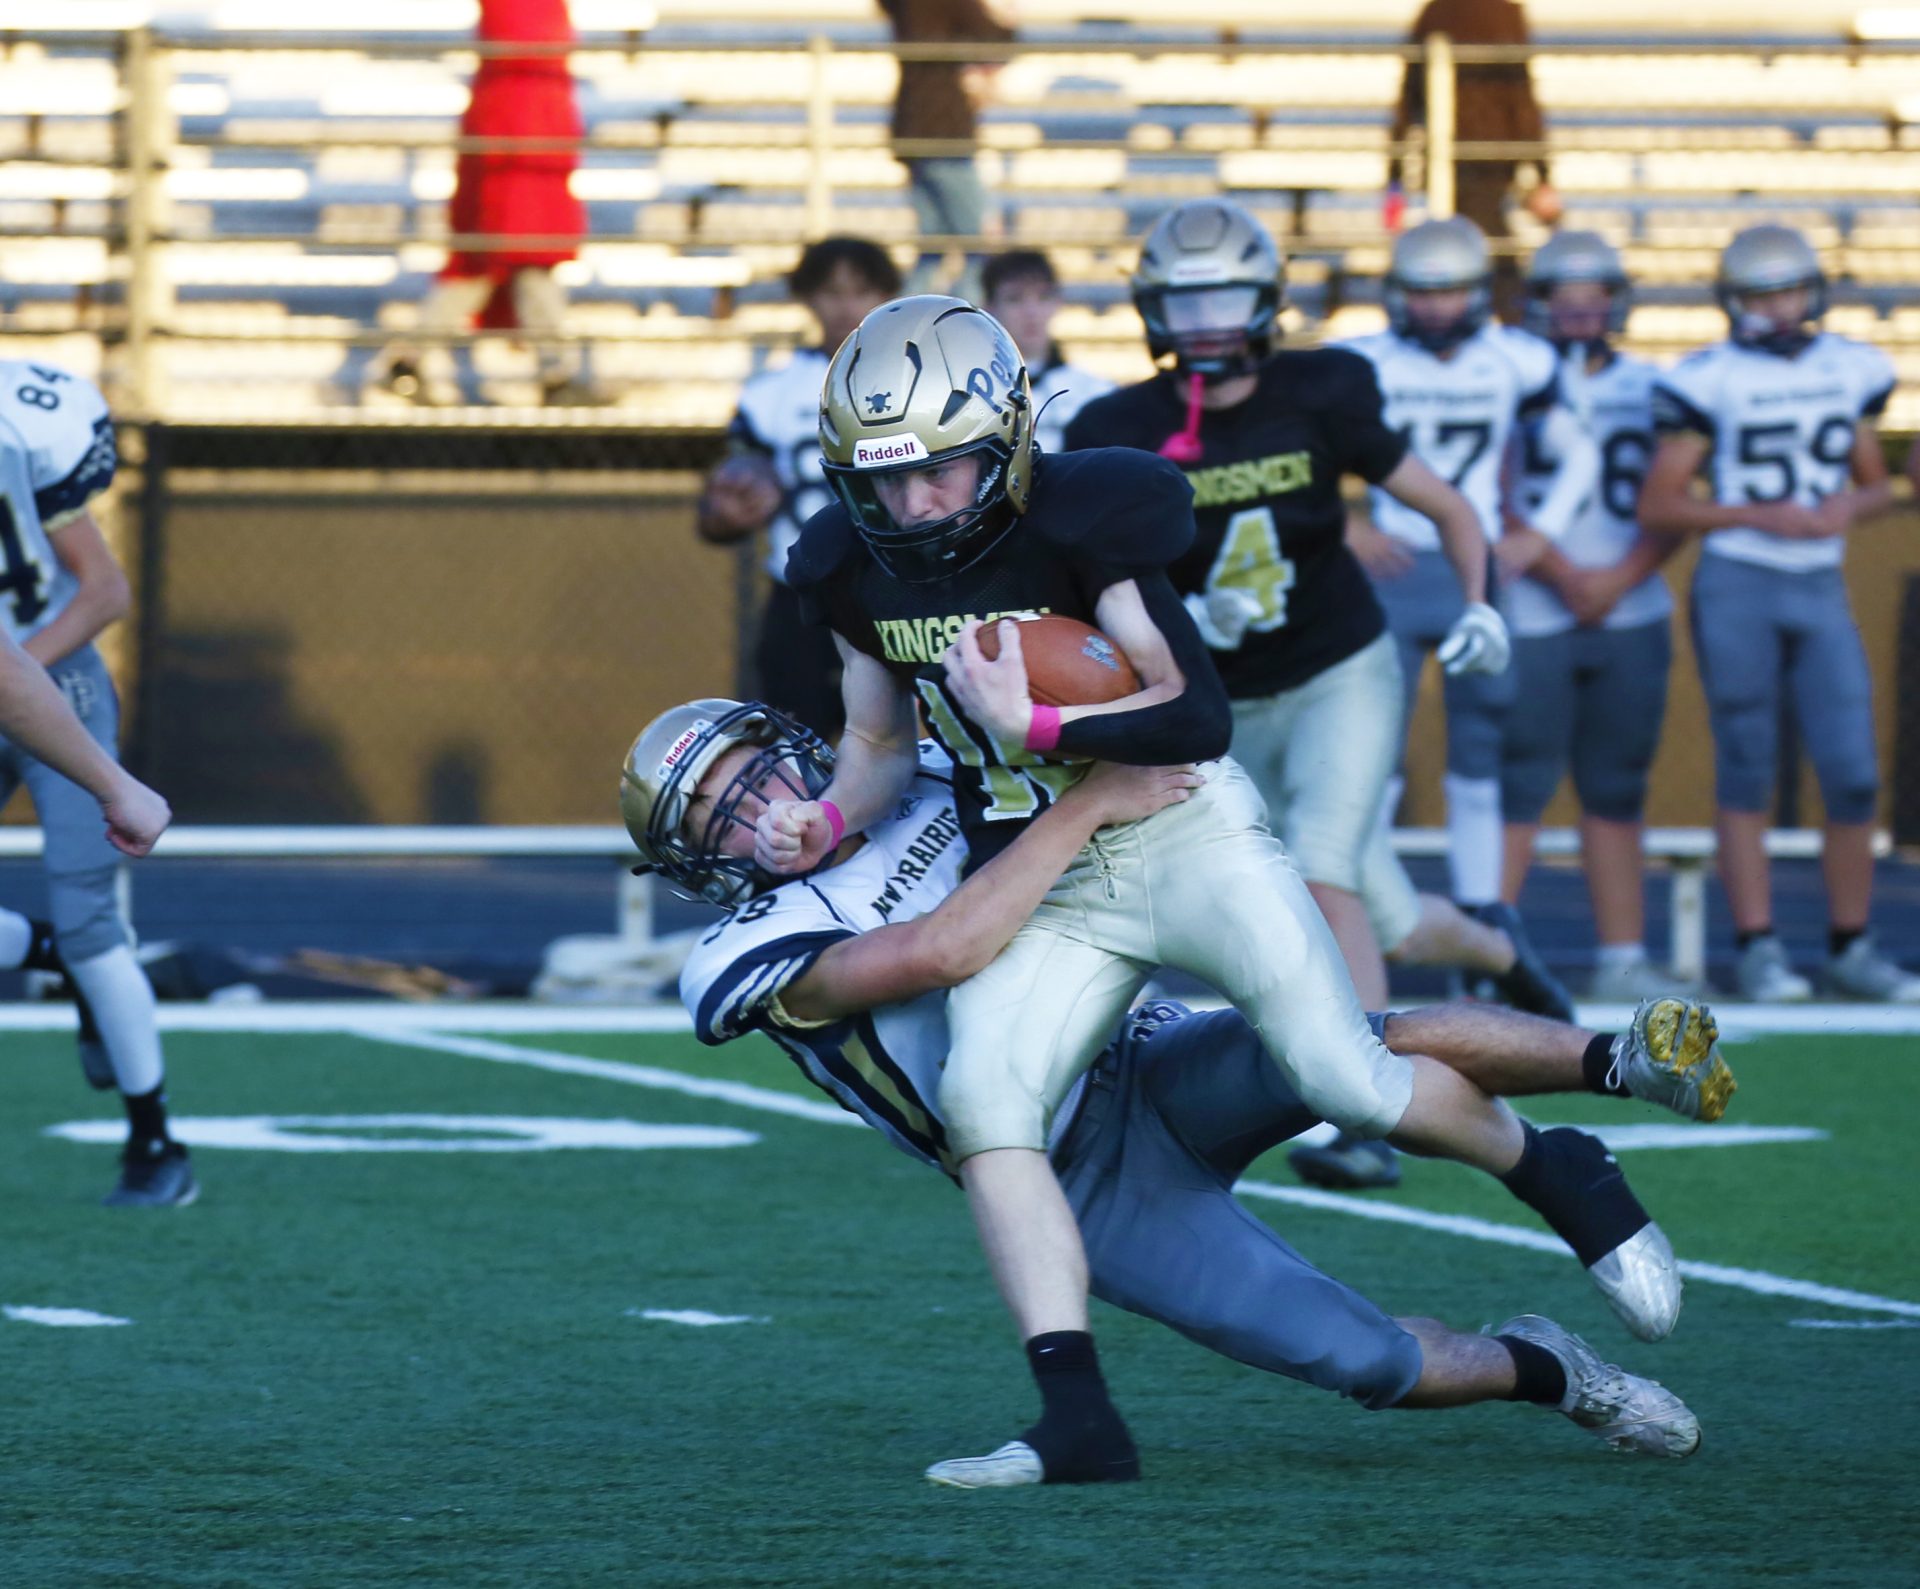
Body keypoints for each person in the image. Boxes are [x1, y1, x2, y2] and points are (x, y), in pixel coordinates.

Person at [763, 296, 1667, 1483]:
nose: (915, 503)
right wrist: (828, 817)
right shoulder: (846, 563)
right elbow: (880, 745)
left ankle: (1557, 1167)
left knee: (1344, 1076)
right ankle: (1077, 1416)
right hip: (1050, 876)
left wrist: (1043, 725)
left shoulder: (1088, 511)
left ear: (1009, 439)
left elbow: (1193, 711)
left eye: (941, 469)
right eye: (884, 480)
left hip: (1183, 823)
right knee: (985, 1100)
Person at [623, 698, 1727, 1483]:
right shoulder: (741, 952)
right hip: (1071, 1181)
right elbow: (941, 949)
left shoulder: (920, 778)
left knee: (1350, 1049)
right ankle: (1554, 1371)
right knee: (1366, 1358)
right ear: (696, 862)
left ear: (799, 748)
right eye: (716, 814)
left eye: (753, 774)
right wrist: (1088, 806)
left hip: (1141, 1046)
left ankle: (1615, 1069)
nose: (755, 811)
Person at [1066, 199, 1570, 1192]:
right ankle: (1494, 947)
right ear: (1152, 309)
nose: (1207, 323)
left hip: (1339, 668)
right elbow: (1075, 568)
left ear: (1266, 301)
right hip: (1216, 700)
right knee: (1386, 916)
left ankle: (1366, 1108)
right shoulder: (1116, 427)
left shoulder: (1323, 389)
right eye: (1187, 302)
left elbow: (1446, 503)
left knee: (1323, 866)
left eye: (1225, 299)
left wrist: (1481, 599)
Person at [1640, 224, 1917, 1002]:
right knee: (1748, 767)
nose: (1779, 308)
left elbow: (1874, 483)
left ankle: (1851, 944)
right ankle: (1758, 945)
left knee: (1854, 774)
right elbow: (1661, 501)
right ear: (1733, 301)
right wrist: (1753, 514)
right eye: (1762, 295)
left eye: (1791, 291)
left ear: (1814, 293)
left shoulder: (1851, 367)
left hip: (1819, 584)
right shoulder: (1709, 378)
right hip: (1740, 582)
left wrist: (1849, 506)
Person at [1342, 215, 1596, 1001]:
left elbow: (1579, 452)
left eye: (1449, 290)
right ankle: (1361, 917)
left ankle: (1483, 927)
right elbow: (1300, 452)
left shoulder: (1516, 359)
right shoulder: (1365, 360)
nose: (1434, 306)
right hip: (1390, 566)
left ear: (1478, 292)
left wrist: (1537, 536)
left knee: (1480, 745)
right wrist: (1347, 525)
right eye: (1421, 291)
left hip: (1470, 568)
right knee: (1371, 751)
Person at [0, 358, 189, 1207]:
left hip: (53, 684)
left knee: (88, 919)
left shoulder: (22, 426)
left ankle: (156, 1139)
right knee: (72, 938)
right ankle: (49, 955)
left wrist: (23, 670)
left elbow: (104, 587)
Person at [1498, 231, 1690, 1001]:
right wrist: (1568, 574)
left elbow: (1673, 502)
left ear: (1618, 301)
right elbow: (1487, 487)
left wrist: (1617, 577)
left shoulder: (1655, 386)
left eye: (1594, 295)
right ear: (1538, 304)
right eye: (1564, 297)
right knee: (1516, 785)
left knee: (1617, 786)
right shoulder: (1510, 376)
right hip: (1532, 605)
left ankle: (1622, 954)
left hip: (1631, 604)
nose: (1580, 311)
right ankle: (1492, 958)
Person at [695, 237, 902, 739]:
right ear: (807, 297)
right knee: (792, 749)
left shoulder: (915, 379)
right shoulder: (770, 392)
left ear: (886, 295)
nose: (847, 306)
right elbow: (717, 512)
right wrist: (728, 510)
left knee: (904, 745)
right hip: (801, 597)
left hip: (898, 592)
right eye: (832, 291)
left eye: (861, 291)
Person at [379, 0, 590, 407]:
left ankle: (408, 364)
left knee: (485, 264)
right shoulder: (520, 24)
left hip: (527, 138)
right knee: (517, 258)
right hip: (517, 141)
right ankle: (556, 376)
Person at [1389, 0, 1560, 321]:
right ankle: (1507, 321)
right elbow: (1521, 97)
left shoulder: (1438, 12)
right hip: (1486, 157)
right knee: (1489, 251)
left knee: (1476, 248)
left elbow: (1408, 100)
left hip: (1462, 158)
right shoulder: (1500, 14)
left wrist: (1394, 179)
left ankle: (1493, 319)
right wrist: (1541, 173)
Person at [878, 0, 1014, 297]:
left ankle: (906, 318)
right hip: (943, 129)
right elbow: (996, 37)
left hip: (913, 124)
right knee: (977, 244)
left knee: (933, 248)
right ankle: (969, 316)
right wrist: (1005, 15)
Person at [979, 250, 1113, 455]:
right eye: (1014, 299)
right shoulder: (976, 394)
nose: (1031, 312)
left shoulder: (1095, 392)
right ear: (989, 308)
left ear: (1058, 303)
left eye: (1043, 297)